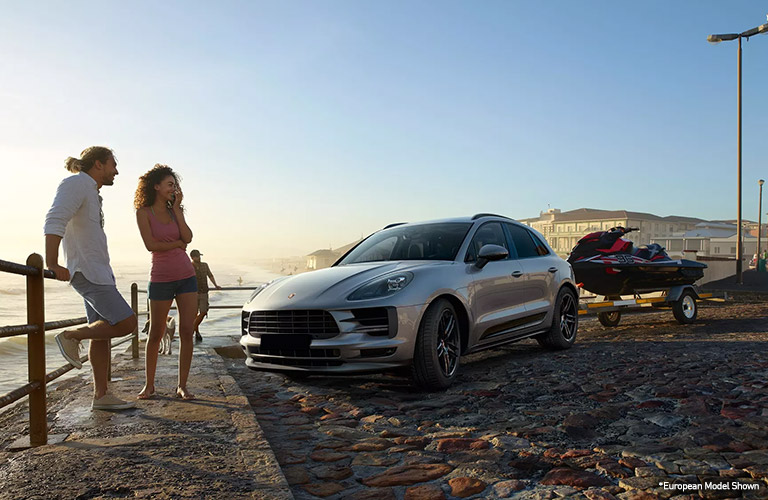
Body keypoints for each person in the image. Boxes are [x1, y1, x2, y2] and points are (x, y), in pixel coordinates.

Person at [44, 146, 138, 410]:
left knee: (101, 334)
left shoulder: (92, 193)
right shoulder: (76, 184)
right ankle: (71, 336)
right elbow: (54, 219)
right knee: (127, 322)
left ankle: (101, 396)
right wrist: (52, 262)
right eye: (112, 165)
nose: (116, 171)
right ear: (98, 164)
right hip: (87, 271)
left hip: (98, 271)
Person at [134, 164, 197, 400]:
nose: (174, 188)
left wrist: (178, 210)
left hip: (186, 277)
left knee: (187, 331)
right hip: (160, 278)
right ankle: (149, 385)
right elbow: (151, 245)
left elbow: (188, 238)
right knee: (156, 333)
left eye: (175, 184)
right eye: (170, 184)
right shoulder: (143, 213)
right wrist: (176, 244)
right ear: (156, 186)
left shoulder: (175, 211)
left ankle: (182, 385)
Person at [190, 249, 221, 342]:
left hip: (204, 292)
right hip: (193, 293)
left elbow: (210, 275)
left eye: (199, 256)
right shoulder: (189, 266)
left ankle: (192, 328)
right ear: (192, 257)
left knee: (203, 312)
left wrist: (215, 285)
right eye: (197, 256)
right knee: (194, 314)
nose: (199, 258)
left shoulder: (205, 265)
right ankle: (197, 332)